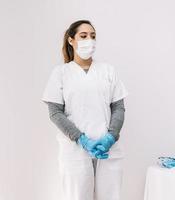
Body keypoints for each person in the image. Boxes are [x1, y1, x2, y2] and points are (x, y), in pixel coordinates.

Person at [41, 19, 129, 200]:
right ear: (71, 40)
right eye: (84, 36)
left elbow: (119, 107)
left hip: (108, 151)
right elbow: (55, 113)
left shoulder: (108, 71)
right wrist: (81, 139)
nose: (90, 40)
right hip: (75, 150)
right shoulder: (61, 73)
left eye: (93, 36)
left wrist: (111, 137)